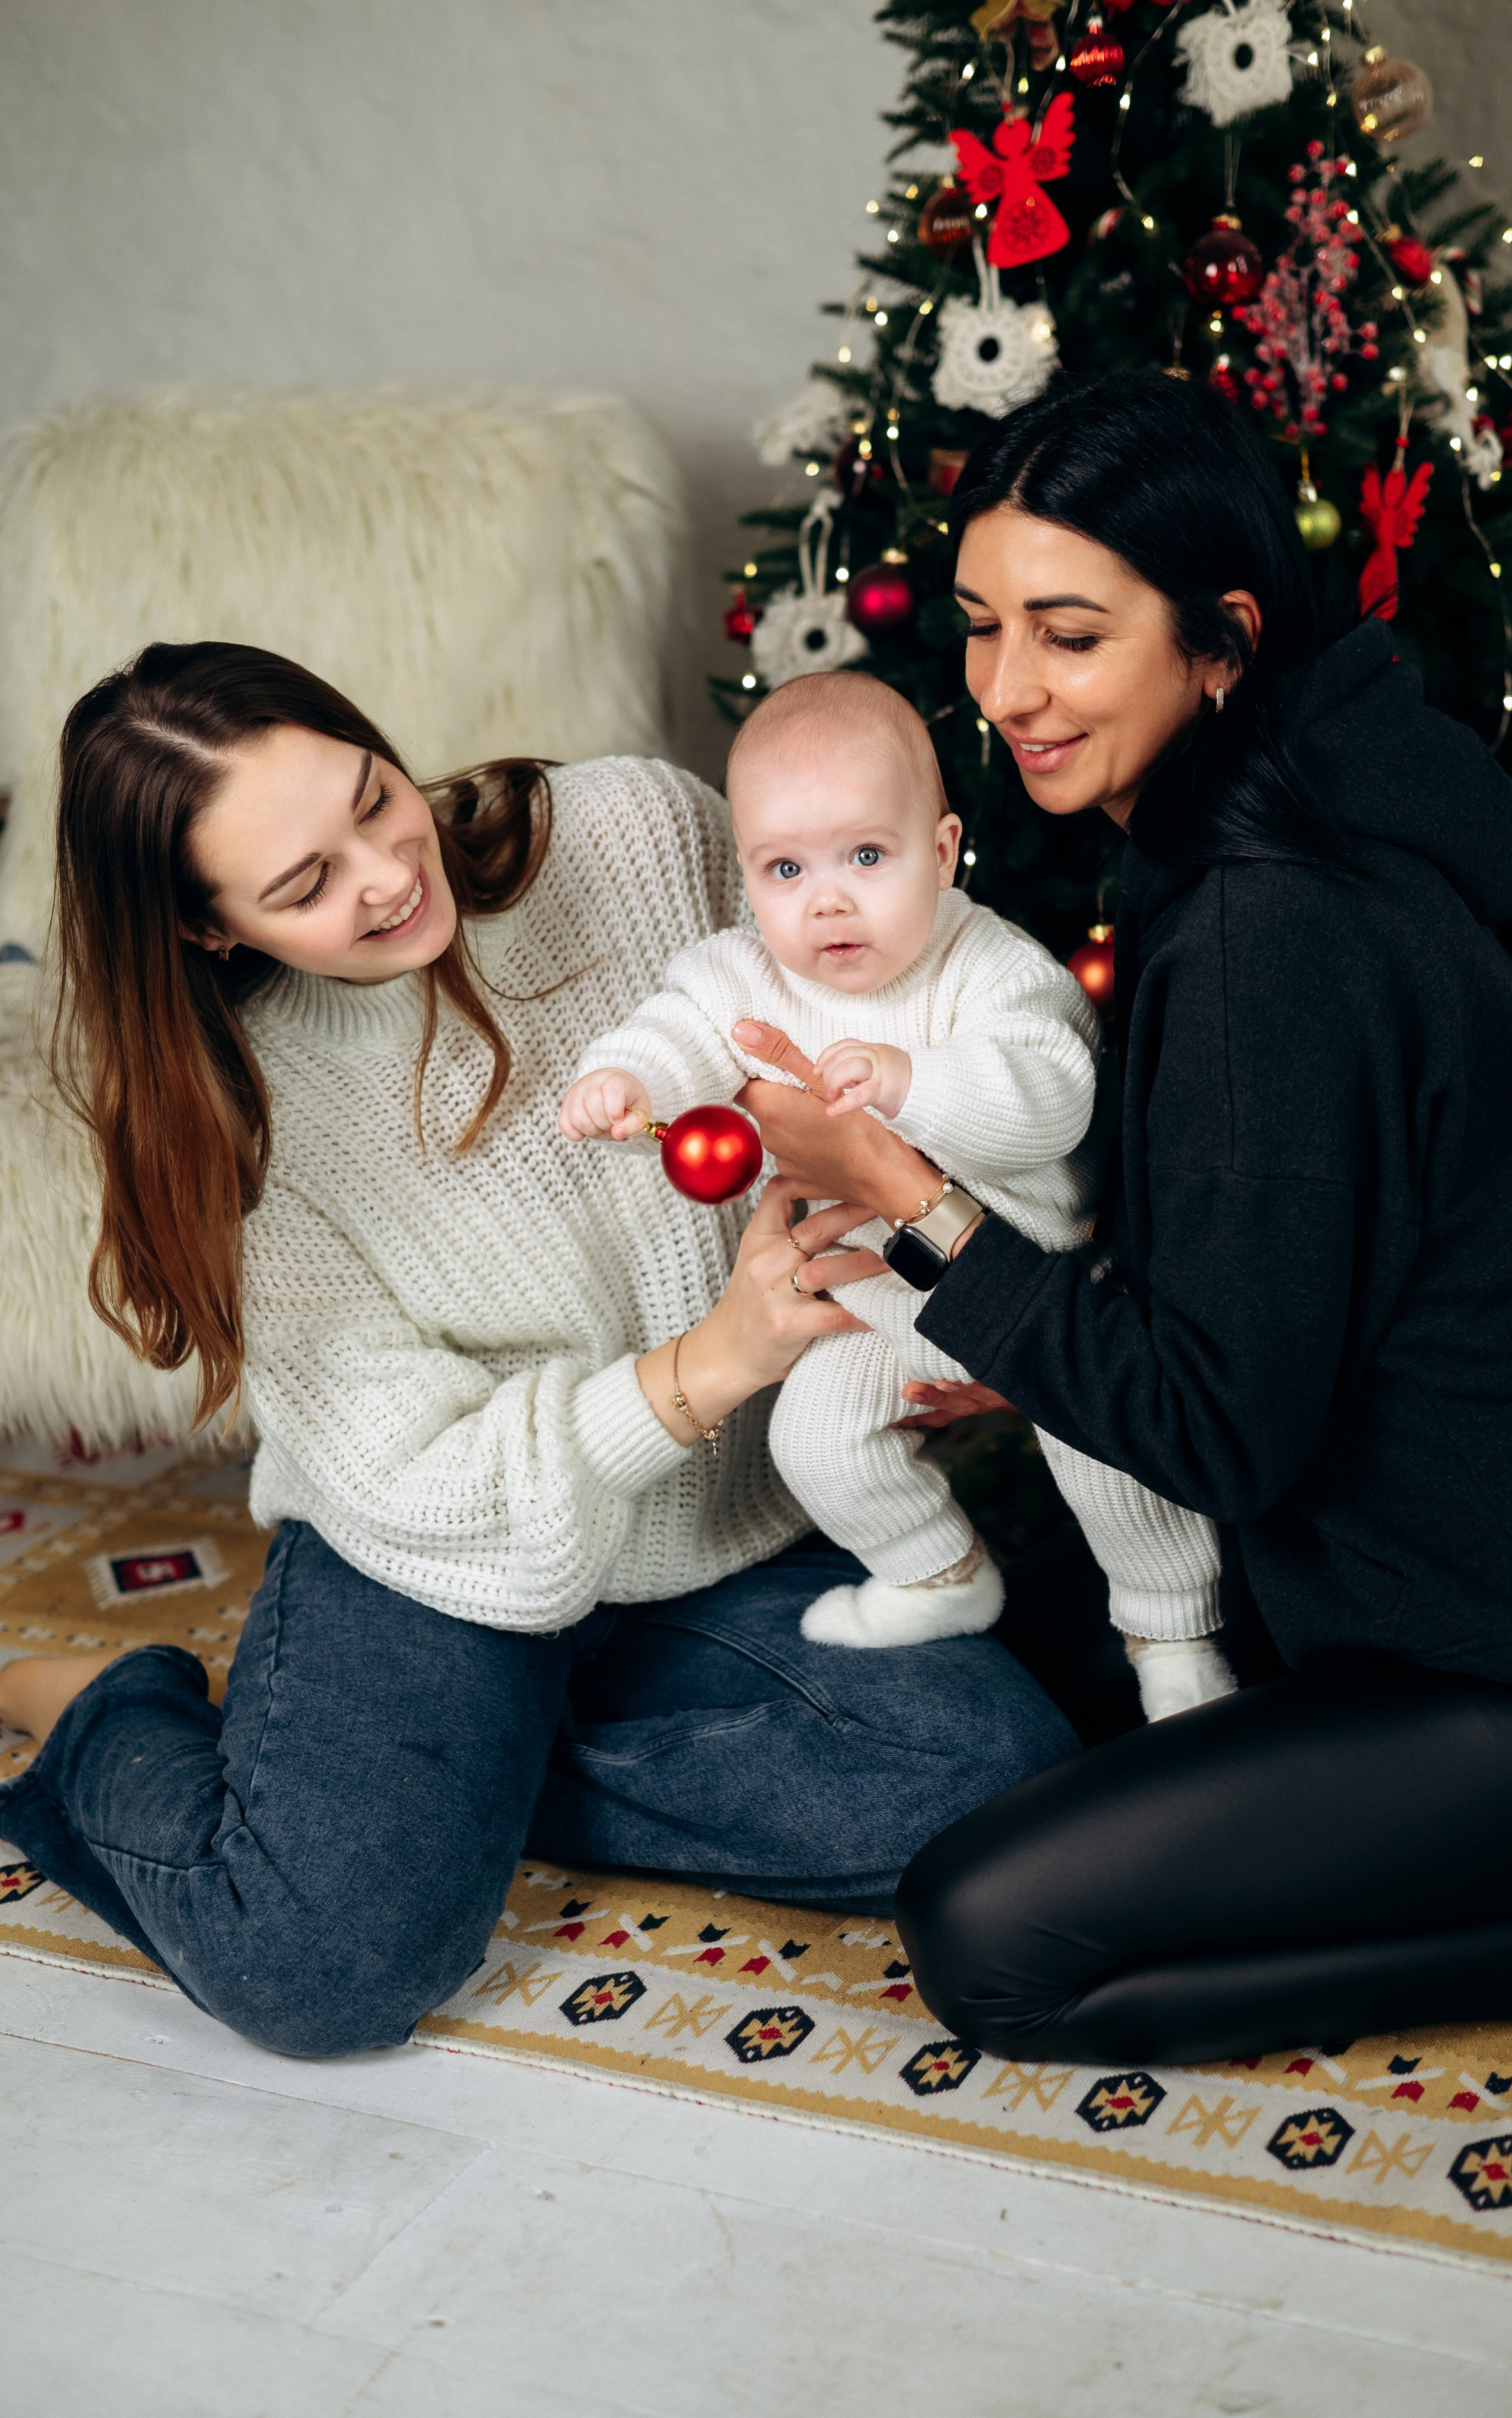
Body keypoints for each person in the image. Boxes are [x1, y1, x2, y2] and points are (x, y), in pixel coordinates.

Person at [732, 373, 1512, 2064]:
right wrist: (1028, 1355)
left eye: (1070, 636)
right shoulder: (1281, 810)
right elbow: (1286, 1259)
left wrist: (908, 1197)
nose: (1006, 690)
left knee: (991, 1938)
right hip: (1493, 1549)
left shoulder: (1262, 936)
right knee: (1029, 1675)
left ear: (1217, 640)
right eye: (987, 624)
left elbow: (1221, 1429)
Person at [0, 642, 1077, 2060]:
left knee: (1001, 1782)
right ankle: (108, 1714)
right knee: (318, 1963)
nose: (386, 874)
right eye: (303, 885)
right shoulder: (245, 1124)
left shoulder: (636, 831)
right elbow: (407, 1467)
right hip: (437, 1540)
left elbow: (923, 972)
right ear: (209, 932)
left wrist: (986, 1271)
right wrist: (713, 1358)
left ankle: (458, 1788)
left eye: (373, 798)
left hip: (717, 1533)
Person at [559, 668, 1231, 1714]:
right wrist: (627, 1080)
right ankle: (938, 1575)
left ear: (942, 850)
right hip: (882, 1304)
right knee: (812, 1441)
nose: (827, 898)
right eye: (786, 868)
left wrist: (913, 1086)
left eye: (866, 856)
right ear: (748, 878)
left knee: (1108, 1454)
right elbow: (679, 1029)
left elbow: (1052, 1097)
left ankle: (1171, 1634)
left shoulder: (984, 964)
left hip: (1039, 1287)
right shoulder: (743, 972)